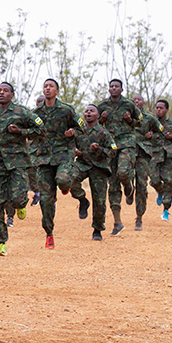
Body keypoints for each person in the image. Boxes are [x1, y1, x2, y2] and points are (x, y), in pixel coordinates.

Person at [0, 82, 43, 256]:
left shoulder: (22, 112)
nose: (1, 93)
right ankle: (1, 242)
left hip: (16, 163)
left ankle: (21, 205)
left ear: (12, 94)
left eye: (5, 91)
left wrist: (21, 132)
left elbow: (41, 129)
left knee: (17, 198)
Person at [34, 78, 89, 248]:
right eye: (45, 86)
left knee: (64, 180)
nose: (47, 88)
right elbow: (29, 128)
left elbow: (83, 128)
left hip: (64, 155)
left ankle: (67, 188)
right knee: (45, 200)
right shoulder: (37, 113)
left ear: (57, 91)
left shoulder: (66, 110)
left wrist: (73, 132)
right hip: (44, 158)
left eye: (51, 86)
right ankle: (49, 233)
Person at [97, 79, 142, 235]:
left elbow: (141, 122)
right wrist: (101, 120)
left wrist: (131, 120)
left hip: (127, 142)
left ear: (122, 89)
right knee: (113, 184)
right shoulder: (102, 106)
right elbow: (93, 124)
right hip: (110, 145)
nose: (114, 88)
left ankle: (129, 186)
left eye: (116, 86)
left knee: (123, 172)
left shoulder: (129, 104)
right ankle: (117, 223)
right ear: (109, 89)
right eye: (111, 86)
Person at [70, 105, 117, 241]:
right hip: (82, 163)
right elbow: (70, 145)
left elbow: (113, 151)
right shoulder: (79, 131)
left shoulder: (103, 132)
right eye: (86, 111)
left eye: (92, 111)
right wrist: (76, 151)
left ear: (98, 115)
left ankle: (97, 229)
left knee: (99, 200)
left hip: (99, 167)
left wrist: (99, 149)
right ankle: (82, 200)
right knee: (69, 178)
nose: (88, 112)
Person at [132, 94, 160, 229]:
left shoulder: (150, 118)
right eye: (134, 100)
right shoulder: (126, 116)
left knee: (142, 185)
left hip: (143, 153)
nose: (136, 102)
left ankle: (139, 217)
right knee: (124, 176)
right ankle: (128, 190)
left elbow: (161, 131)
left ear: (143, 102)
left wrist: (152, 136)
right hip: (128, 151)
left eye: (139, 100)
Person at [151, 100, 172, 221]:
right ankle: (160, 192)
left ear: (166, 110)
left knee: (168, 181)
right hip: (154, 155)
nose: (158, 110)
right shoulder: (151, 123)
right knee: (154, 180)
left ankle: (166, 209)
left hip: (168, 155)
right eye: (157, 108)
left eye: (161, 108)